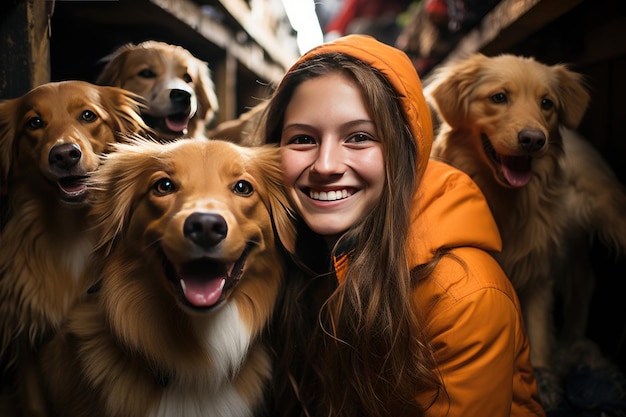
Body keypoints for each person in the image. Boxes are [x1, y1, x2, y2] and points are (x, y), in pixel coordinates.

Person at [261, 34, 546, 417]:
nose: (326, 165)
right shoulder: (293, 255)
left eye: (359, 137)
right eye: (302, 139)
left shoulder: (465, 297)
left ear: (404, 151)